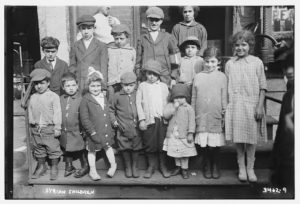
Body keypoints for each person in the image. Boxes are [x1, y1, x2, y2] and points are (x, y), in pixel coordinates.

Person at [225, 30, 267, 183]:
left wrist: (259, 106)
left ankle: (250, 168)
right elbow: (227, 85)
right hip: (236, 104)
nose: (240, 48)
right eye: (237, 45)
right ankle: (241, 167)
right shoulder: (230, 64)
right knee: (239, 139)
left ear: (250, 45)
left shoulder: (257, 62)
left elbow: (263, 86)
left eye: (244, 45)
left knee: (251, 139)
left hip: (252, 104)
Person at [191, 47, 227, 179]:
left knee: (214, 145)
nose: (209, 65)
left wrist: (224, 112)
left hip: (215, 115)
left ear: (219, 62)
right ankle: (206, 165)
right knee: (204, 144)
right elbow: (194, 98)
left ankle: (215, 165)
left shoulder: (222, 77)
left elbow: (224, 97)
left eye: (212, 61)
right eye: (207, 61)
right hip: (201, 115)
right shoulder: (198, 77)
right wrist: (193, 114)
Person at [80, 68, 116, 181]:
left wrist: (112, 124)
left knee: (108, 147)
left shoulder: (103, 97)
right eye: (92, 86)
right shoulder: (85, 100)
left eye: (98, 86)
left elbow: (107, 112)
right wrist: (92, 132)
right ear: (88, 87)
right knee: (92, 151)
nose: (96, 89)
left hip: (105, 130)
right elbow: (84, 119)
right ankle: (92, 170)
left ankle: (113, 165)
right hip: (94, 132)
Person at [136, 59, 170, 178]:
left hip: (161, 120)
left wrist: (168, 117)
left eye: (154, 74)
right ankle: (151, 166)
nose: (151, 76)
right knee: (149, 144)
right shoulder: (142, 86)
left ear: (158, 75)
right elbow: (138, 104)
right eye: (149, 73)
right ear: (145, 73)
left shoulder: (163, 86)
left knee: (162, 144)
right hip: (149, 120)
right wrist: (142, 119)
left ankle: (162, 165)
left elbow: (167, 103)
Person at [28, 69, 62, 180]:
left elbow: (57, 112)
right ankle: (41, 166)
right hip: (36, 129)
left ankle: (54, 167)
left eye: (42, 83)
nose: (39, 86)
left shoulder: (53, 96)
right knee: (39, 149)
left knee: (53, 148)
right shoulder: (32, 97)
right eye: (36, 84)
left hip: (49, 128)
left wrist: (57, 127)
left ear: (48, 83)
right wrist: (31, 121)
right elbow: (29, 109)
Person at [135, 6, 181, 87]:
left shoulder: (168, 37)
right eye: (151, 19)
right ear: (147, 20)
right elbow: (138, 62)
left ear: (161, 21)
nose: (154, 23)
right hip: (147, 78)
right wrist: (139, 77)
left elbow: (175, 60)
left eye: (157, 20)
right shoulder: (142, 39)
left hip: (164, 77)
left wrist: (173, 77)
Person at [109, 72, 142, 178]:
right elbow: (110, 110)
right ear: (121, 85)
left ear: (135, 84)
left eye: (131, 85)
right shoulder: (117, 96)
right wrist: (114, 121)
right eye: (125, 85)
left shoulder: (137, 94)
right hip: (122, 127)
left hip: (136, 127)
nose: (128, 88)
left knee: (136, 147)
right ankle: (127, 166)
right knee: (124, 147)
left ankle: (134, 166)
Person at [271, 45, 294, 196]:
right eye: (286, 67)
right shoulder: (288, 96)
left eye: (294, 66)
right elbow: (282, 131)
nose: (290, 71)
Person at [163, 83, 197, 179]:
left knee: (184, 153)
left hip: (184, 135)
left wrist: (190, 133)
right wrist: (174, 108)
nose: (178, 100)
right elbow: (166, 115)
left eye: (181, 97)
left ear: (186, 98)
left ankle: (184, 169)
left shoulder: (188, 108)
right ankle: (178, 167)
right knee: (176, 152)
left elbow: (192, 122)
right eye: (176, 97)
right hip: (173, 134)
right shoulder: (171, 106)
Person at [60, 72, 89, 178]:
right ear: (63, 87)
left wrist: (84, 130)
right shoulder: (61, 99)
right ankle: (69, 166)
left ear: (77, 86)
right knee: (66, 147)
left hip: (77, 129)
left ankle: (85, 166)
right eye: (67, 86)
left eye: (73, 85)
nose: (71, 88)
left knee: (81, 147)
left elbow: (85, 115)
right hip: (65, 130)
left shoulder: (81, 99)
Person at [69, 14, 108, 93]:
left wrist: (103, 87)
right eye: (83, 29)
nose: (86, 31)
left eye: (89, 28)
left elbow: (104, 68)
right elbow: (72, 67)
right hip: (80, 83)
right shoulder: (75, 46)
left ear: (94, 29)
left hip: (95, 84)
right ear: (79, 29)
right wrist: (73, 84)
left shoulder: (101, 45)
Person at [107, 24, 136, 101]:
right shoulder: (110, 50)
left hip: (126, 83)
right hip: (112, 82)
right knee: (112, 100)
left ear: (127, 38)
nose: (119, 41)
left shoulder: (131, 51)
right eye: (116, 39)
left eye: (121, 38)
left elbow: (133, 65)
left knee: (124, 101)